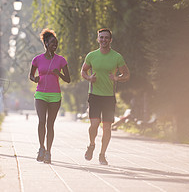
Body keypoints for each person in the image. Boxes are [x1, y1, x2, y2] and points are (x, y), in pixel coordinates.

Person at [81, 28, 130, 165]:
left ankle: (102, 154)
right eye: (101, 37)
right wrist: (89, 78)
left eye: (106, 38)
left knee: (107, 127)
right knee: (94, 125)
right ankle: (91, 145)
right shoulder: (91, 56)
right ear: (98, 39)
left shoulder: (117, 57)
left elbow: (126, 75)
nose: (103, 40)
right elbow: (83, 71)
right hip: (95, 95)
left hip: (109, 97)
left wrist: (116, 78)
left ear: (110, 40)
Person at [29, 29, 70, 164]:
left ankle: (48, 152)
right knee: (41, 121)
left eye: (56, 43)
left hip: (55, 96)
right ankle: (41, 147)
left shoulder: (61, 60)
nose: (55, 45)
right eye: (52, 42)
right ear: (46, 43)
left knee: (50, 124)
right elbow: (31, 75)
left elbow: (68, 79)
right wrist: (34, 79)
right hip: (40, 94)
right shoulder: (37, 59)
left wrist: (59, 73)